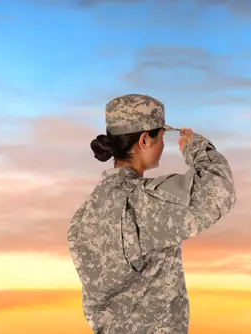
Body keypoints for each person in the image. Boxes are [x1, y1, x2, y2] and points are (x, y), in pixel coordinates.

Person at [67, 94, 236, 334]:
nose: (163, 145)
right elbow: (218, 191)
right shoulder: (142, 201)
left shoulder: (84, 214)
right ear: (145, 140)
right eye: (162, 137)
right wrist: (196, 147)